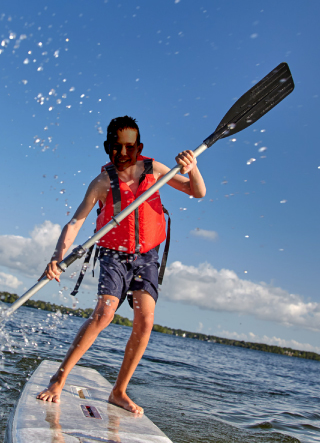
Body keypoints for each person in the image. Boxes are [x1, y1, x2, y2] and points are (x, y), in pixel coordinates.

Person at [37, 115, 206, 414]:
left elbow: (197, 191)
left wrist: (193, 169)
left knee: (146, 321)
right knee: (104, 313)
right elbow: (76, 222)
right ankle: (59, 378)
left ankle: (119, 391)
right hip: (114, 254)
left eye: (130, 147)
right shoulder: (101, 183)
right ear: (108, 148)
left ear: (139, 148)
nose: (124, 154)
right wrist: (56, 256)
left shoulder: (155, 170)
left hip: (146, 256)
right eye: (117, 147)